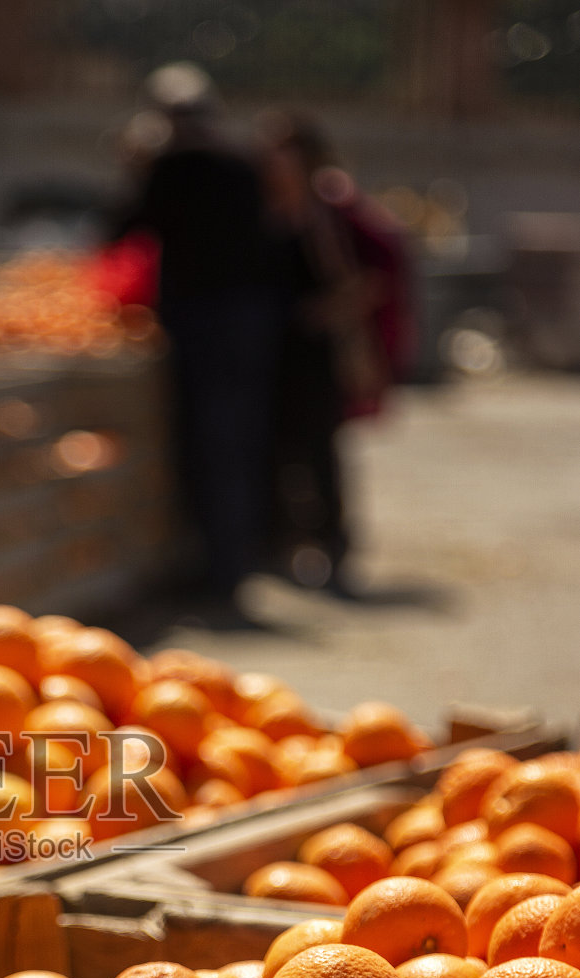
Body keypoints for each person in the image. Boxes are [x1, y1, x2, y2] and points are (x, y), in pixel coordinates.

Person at [107, 65, 279, 618]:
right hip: (249, 318)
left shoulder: (171, 168)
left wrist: (136, 168)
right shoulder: (245, 165)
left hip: (202, 320)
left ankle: (218, 570)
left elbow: (126, 231)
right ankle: (235, 561)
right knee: (237, 440)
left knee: (208, 443)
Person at [260, 112, 414, 593]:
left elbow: (379, 274)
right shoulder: (264, 211)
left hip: (318, 352)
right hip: (275, 349)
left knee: (319, 449)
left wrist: (325, 311)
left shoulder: (333, 210)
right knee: (277, 449)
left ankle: (333, 546)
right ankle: (287, 543)